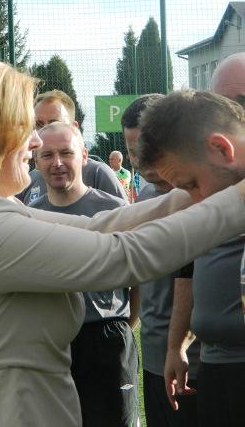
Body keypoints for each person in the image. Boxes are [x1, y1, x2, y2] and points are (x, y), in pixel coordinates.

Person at [0, 58, 245, 427]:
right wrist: (238, 198)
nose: (36, 141)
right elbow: (122, 256)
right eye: (26, 127)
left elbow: (98, 228)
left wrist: (199, 186)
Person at [138, 89, 245, 427]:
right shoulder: (211, 199)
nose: (195, 202)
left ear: (221, 148)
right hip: (215, 371)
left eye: (193, 184)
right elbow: (188, 270)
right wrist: (176, 344)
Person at [30, 122, 139, 426]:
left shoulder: (114, 210)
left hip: (107, 340)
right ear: (36, 161)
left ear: (84, 156)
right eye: (47, 155)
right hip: (51, 345)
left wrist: (121, 324)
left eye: (66, 153)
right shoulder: (29, 216)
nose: (57, 163)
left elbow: (139, 279)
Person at [121, 94, 200, 427]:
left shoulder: (202, 196)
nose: (142, 161)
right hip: (154, 358)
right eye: (132, 151)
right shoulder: (144, 197)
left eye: (148, 148)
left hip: (196, 362)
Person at [19, 90, 126, 204]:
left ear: (74, 127)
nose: (45, 130)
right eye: (38, 125)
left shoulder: (98, 174)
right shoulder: (27, 181)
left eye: (54, 124)